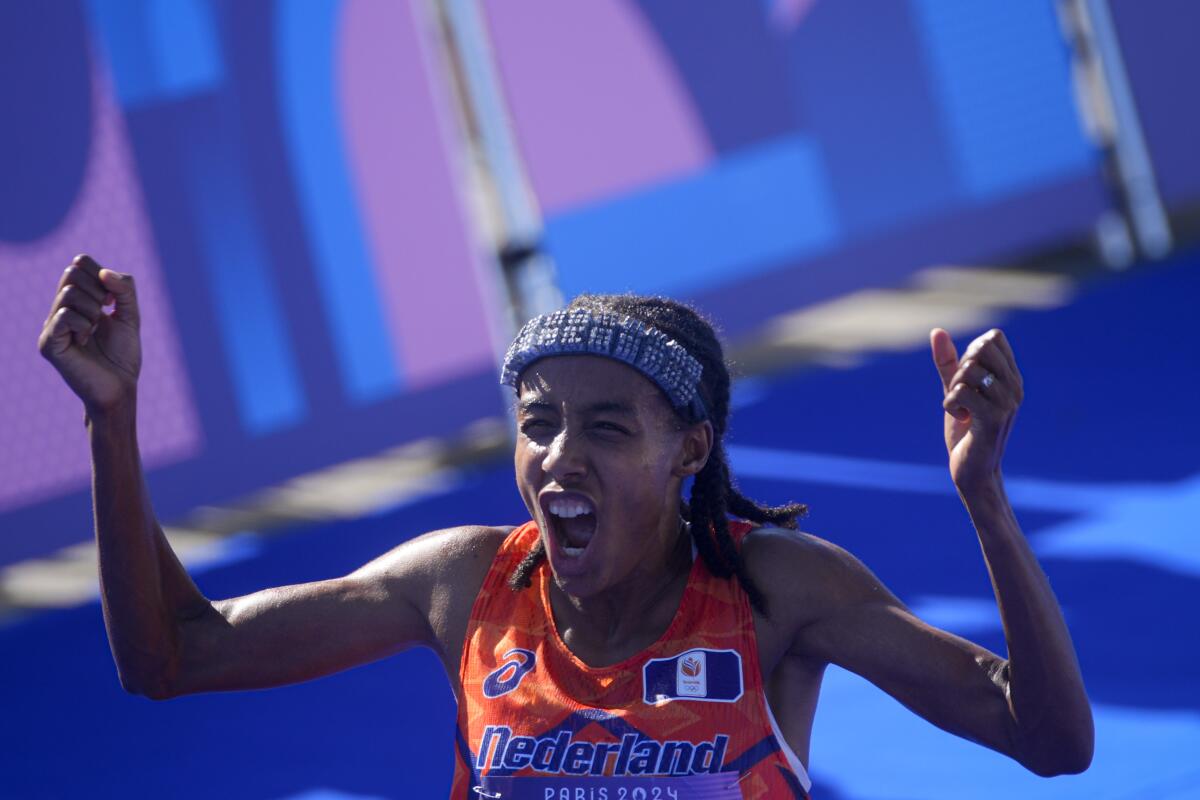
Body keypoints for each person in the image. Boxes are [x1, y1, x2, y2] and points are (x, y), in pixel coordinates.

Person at [39, 254, 1093, 798]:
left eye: (604, 426)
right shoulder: (461, 582)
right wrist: (112, 418)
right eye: (538, 424)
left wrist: (986, 502)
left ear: (690, 448)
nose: (559, 457)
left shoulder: (777, 592)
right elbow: (168, 655)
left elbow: (1048, 740)